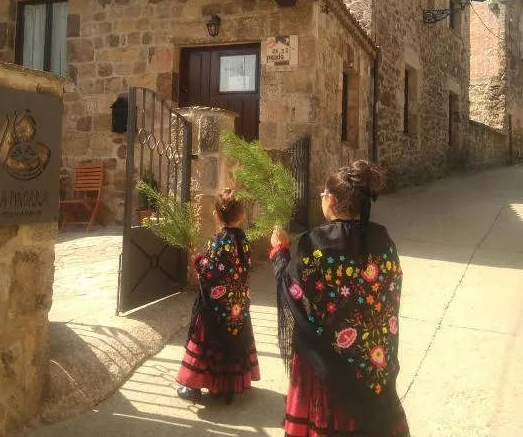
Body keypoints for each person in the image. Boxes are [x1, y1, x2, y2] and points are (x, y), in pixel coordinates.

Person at [270, 160, 410, 436]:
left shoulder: (316, 242)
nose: (323, 199)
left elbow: (294, 290)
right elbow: (390, 290)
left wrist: (280, 254)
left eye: (323, 195)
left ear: (331, 201)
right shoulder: (383, 239)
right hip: (372, 359)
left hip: (327, 365)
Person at [176, 188, 260, 404]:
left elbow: (212, 272)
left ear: (216, 214)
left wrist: (198, 261)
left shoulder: (219, 240)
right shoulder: (243, 240)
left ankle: (194, 385)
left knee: (206, 340)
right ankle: (228, 384)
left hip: (217, 305)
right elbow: (238, 267)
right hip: (237, 303)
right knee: (233, 339)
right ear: (241, 215)